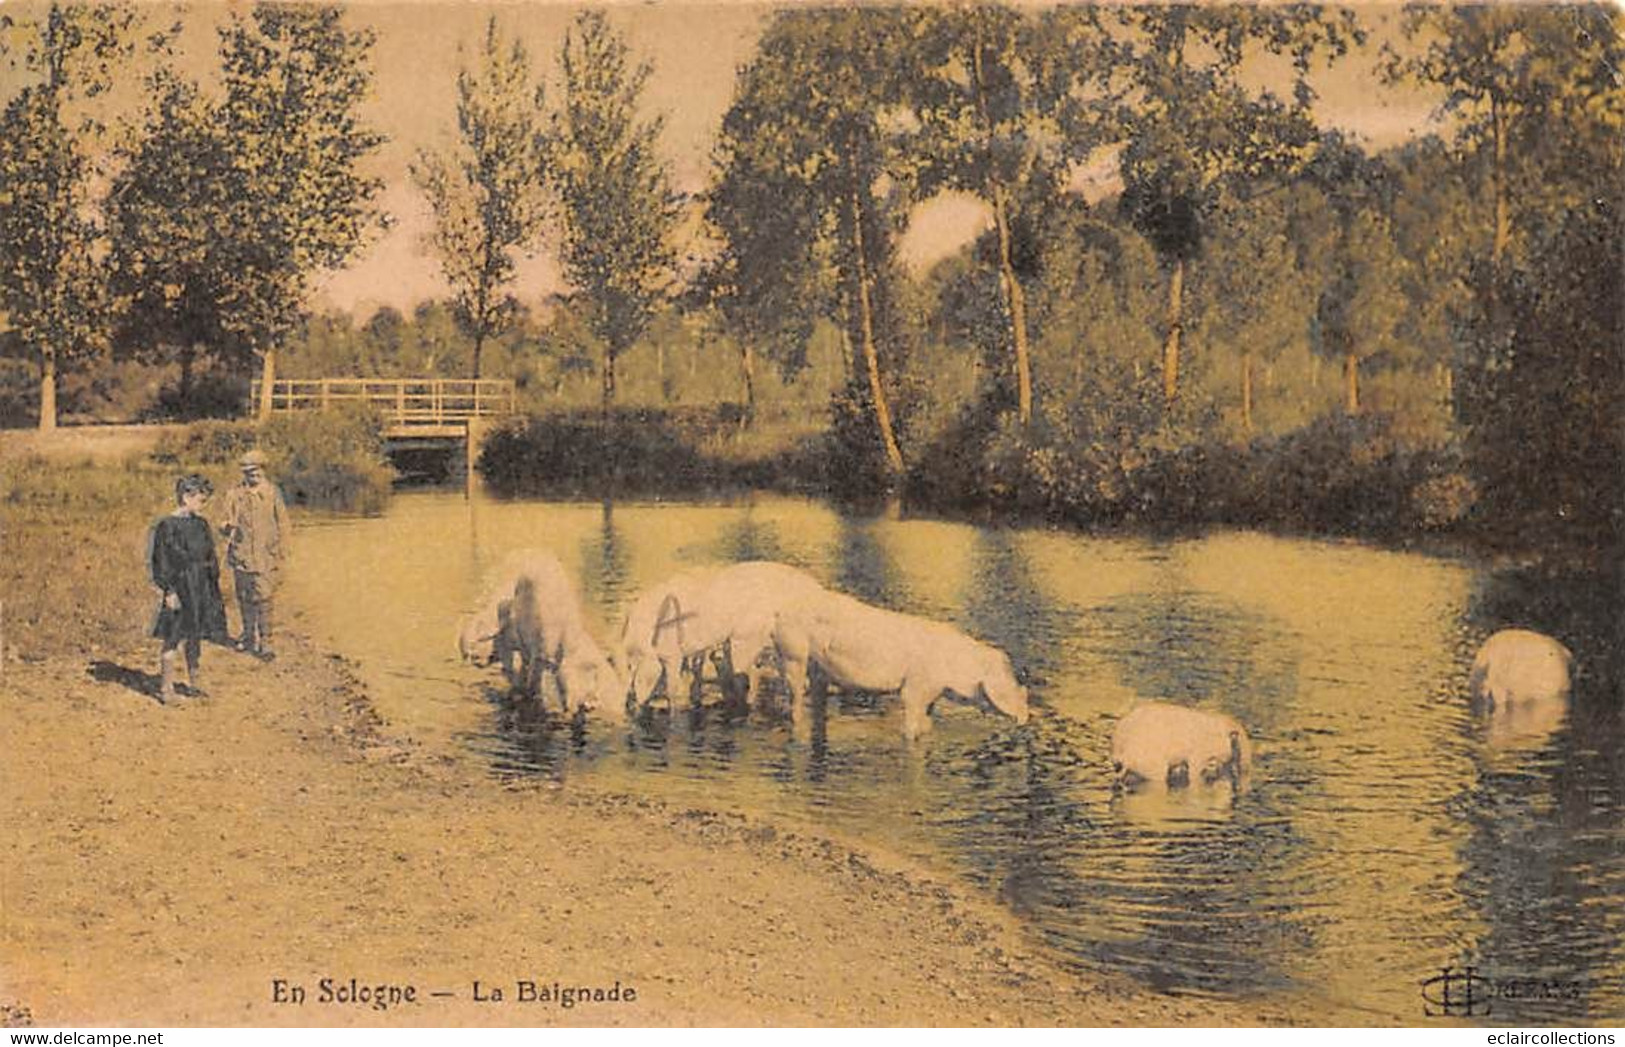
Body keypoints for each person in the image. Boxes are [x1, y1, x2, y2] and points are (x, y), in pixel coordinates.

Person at [149, 474, 229, 703]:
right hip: (181, 587)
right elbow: (162, 561)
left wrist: (212, 579)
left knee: (195, 635)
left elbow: (209, 554)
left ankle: (195, 682)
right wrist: (169, 591)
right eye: (200, 500)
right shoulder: (167, 526)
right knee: (174, 636)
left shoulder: (201, 524)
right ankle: (166, 688)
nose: (203, 505)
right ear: (186, 496)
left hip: (201, 586)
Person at [219, 449, 289, 659]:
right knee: (245, 596)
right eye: (249, 474)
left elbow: (283, 523)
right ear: (244, 474)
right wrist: (226, 526)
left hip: (266, 555)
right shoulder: (235, 494)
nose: (254, 478)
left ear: (264, 472)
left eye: (257, 473)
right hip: (241, 555)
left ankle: (266, 641)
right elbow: (222, 521)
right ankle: (248, 635)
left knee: (265, 597)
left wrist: (282, 550)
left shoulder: (272, 493)